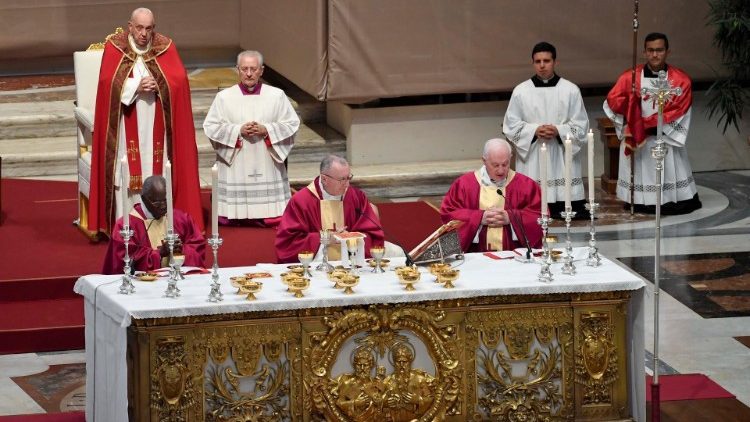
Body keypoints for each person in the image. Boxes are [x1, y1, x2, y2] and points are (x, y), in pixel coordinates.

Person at [89, 7, 204, 236]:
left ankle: (160, 222)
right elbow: (106, 84)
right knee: (129, 169)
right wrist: (134, 86)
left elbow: (179, 82)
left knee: (157, 166)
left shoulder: (165, 47)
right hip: (126, 120)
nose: (144, 34)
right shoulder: (115, 47)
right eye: (139, 28)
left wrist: (161, 84)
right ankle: (127, 223)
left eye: (149, 29)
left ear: (154, 28)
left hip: (156, 123)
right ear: (130, 26)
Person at [603, 32, 701, 215]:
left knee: (671, 176)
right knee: (641, 182)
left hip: (665, 139)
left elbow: (680, 110)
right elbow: (612, 101)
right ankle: (639, 201)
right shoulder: (630, 78)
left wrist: (643, 125)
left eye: (659, 50)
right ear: (644, 52)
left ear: (667, 51)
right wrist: (630, 115)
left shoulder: (680, 80)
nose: (655, 55)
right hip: (639, 142)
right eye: (650, 50)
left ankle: (672, 200)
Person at [203, 50, 300, 227]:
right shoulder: (224, 97)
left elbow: (292, 124)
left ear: (261, 70)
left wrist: (267, 130)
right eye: (244, 69)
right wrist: (237, 131)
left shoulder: (277, 96)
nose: (249, 73)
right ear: (237, 70)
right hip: (237, 160)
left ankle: (268, 213)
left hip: (265, 158)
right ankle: (233, 213)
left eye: (253, 69)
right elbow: (211, 127)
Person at [503, 41, 590, 219]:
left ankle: (564, 206)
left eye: (546, 61)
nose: (542, 66)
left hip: (560, 151)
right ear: (532, 63)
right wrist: (534, 131)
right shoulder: (521, 91)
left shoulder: (570, 90)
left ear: (555, 62)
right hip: (534, 152)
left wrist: (559, 130)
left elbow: (581, 125)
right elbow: (510, 124)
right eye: (538, 61)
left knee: (564, 196)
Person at [275, 155, 385, 263]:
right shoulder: (302, 201)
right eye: (342, 179)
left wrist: (351, 239)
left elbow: (373, 235)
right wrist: (325, 238)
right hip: (316, 269)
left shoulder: (356, 197)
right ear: (324, 179)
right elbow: (288, 244)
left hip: (351, 265)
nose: (347, 184)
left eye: (348, 178)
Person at [440, 138, 543, 253]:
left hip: (514, 256)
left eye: (505, 164)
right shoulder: (464, 185)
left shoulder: (526, 185)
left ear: (511, 158)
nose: (500, 171)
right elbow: (448, 215)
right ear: (484, 160)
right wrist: (478, 218)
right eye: (495, 165)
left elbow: (540, 216)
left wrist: (512, 218)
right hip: (475, 256)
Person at [102, 176, 206, 274]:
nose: (163, 206)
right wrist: (159, 253)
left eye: (166, 200)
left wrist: (181, 250)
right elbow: (124, 263)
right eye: (157, 203)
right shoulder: (126, 226)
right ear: (144, 199)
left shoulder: (181, 219)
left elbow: (198, 249)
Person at [331, 347, 386, 421]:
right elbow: (339, 403)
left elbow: (382, 408)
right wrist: (356, 403)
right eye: (359, 365)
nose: (362, 368)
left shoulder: (376, 385)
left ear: (371, 366)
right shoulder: (348, 383)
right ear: (354, 365)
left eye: (365, 365)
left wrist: (379, 403)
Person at [383, 343, 435, 421]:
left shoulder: (420, 379)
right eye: (398, 361)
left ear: (409, 362)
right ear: (394, 363)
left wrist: (418, 400)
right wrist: (386, 402)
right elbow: (378, 400)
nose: (401, 365)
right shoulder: (388, 381)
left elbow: (431, 400)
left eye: (404, 362)